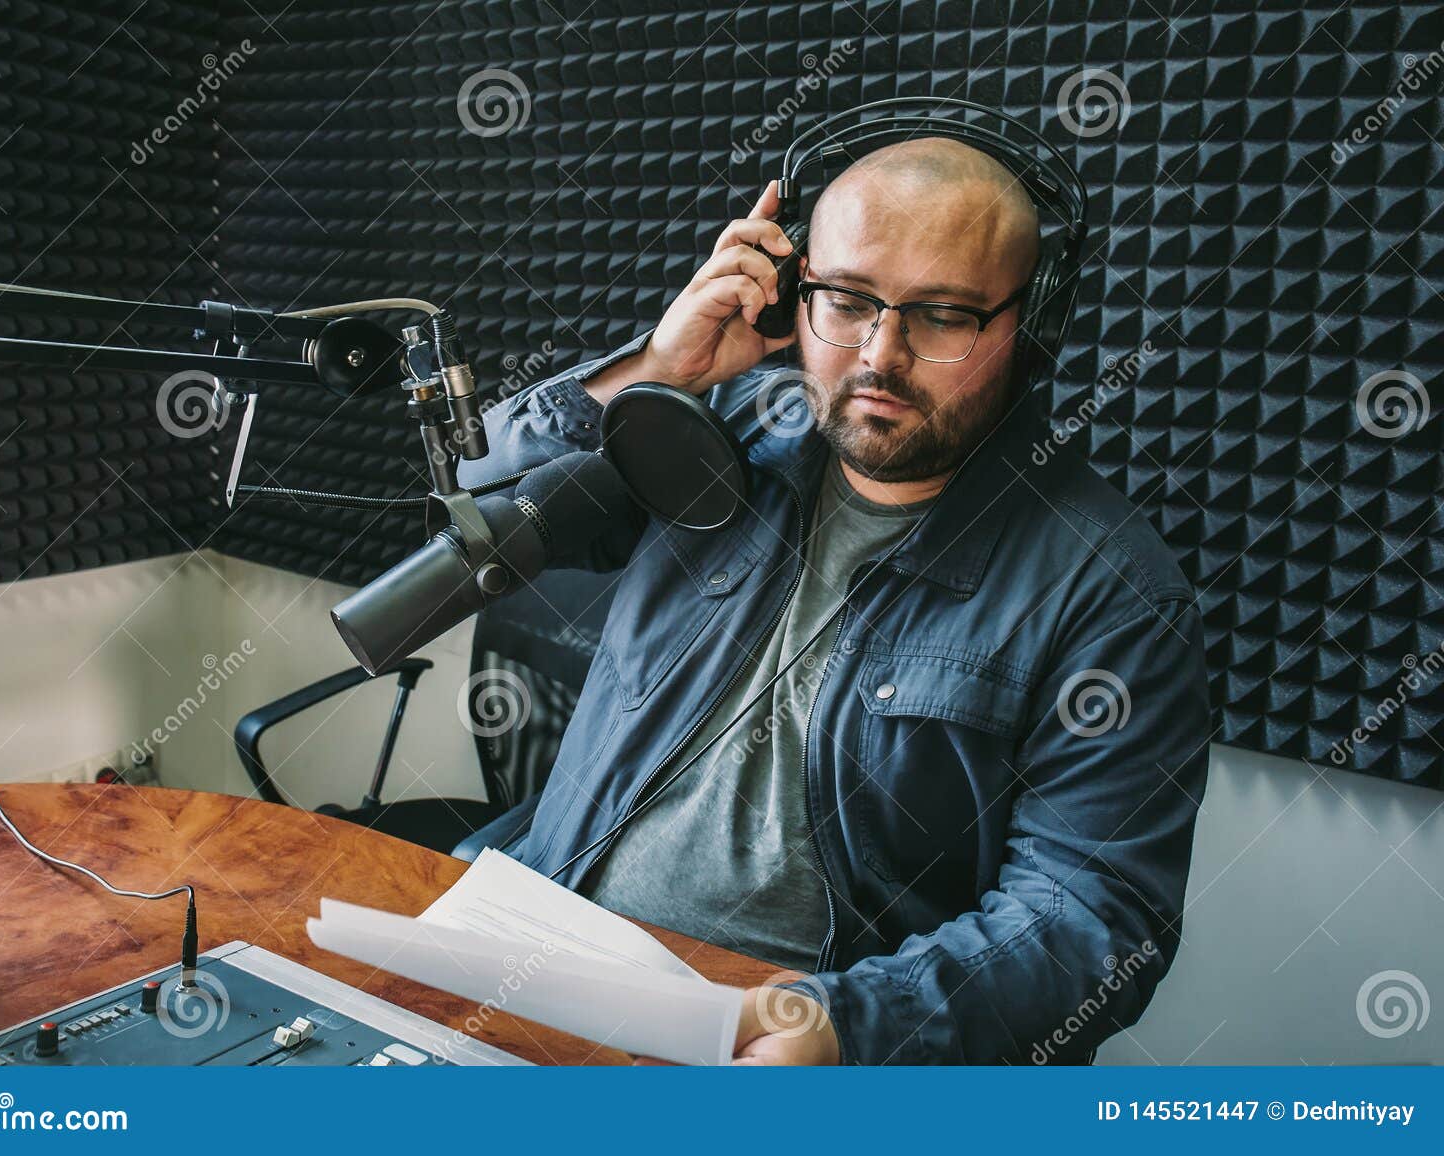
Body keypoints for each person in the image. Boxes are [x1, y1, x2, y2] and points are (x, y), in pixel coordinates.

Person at [457, 137, 1211, 1064]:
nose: (879, 355)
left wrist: (842, 1025)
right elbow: (472, 516)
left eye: (943, 317)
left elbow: (1091, 920)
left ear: (1031, 324)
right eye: (847, 302)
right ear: (793, 291)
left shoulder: (1113, 594)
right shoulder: (712, 428)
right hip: (538, 957)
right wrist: (654, 370)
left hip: (791, 1051)